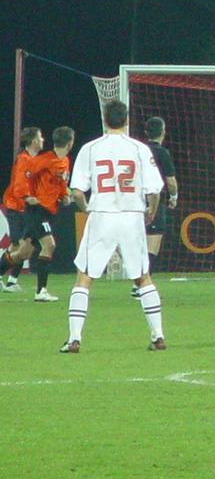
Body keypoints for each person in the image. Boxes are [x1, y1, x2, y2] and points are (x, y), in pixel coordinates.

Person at [60, 100, 166, 353]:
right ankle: (158, 336)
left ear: (104, 119)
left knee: (84, 276)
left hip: (102, 214)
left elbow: (77, 192)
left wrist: (86, 209)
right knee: (143, 277)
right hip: (131, 215)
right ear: (126, 120)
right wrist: (151, 210)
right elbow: (154, 189)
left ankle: (74, 339)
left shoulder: (90, 148)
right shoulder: (140, 149)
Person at [11, 126, 75, 301]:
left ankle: (7, 276)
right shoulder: (44, 160)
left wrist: (64, 195)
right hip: (37, 210)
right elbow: (25, 176)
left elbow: (59, 183)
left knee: (23, 252)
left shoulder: (65, 161)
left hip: (50, 210)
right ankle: (41, 291)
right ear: (70, 143)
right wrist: (27, 196)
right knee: (49, 245)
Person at [134, 117, 179, 296]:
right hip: (153, 200)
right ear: (163, 132)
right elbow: (170, 180)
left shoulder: (139, 151)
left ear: (146, 133)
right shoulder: (161, 153)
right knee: (152, 245)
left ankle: (139, 282)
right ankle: (140, 285)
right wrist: (174, 196)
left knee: (139, 245)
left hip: (135, 201)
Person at [0, 126, 44, 292]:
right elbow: (19, 185)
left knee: (25, 246)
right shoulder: (23, 160)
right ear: (33, 141)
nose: (42, 140)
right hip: (15, 206)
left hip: (27, 209)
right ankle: (7, 278)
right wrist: (27, 198)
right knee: (18, 245)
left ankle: (12, 281)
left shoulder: (37, 160)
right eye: (40, 137)